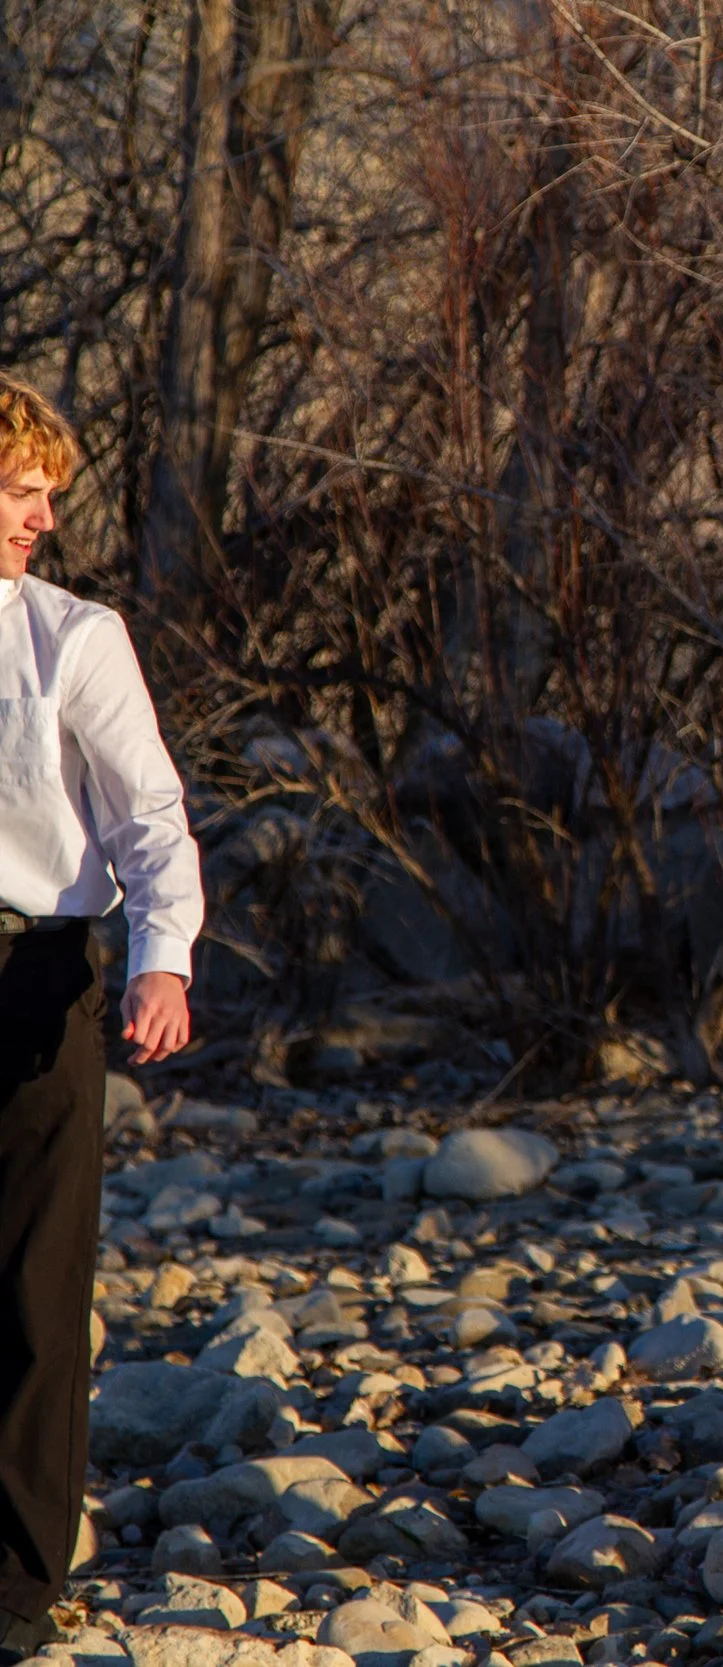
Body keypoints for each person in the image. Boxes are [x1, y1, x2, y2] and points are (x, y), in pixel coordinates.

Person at [0, 376, 200, 1655]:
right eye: (23, 490)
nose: (43, 517)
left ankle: (17, 1584)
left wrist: (162, 958)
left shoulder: (75, 636)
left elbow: (150, 815)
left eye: (51, 495)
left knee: (33, 1285)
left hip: (35, 981)